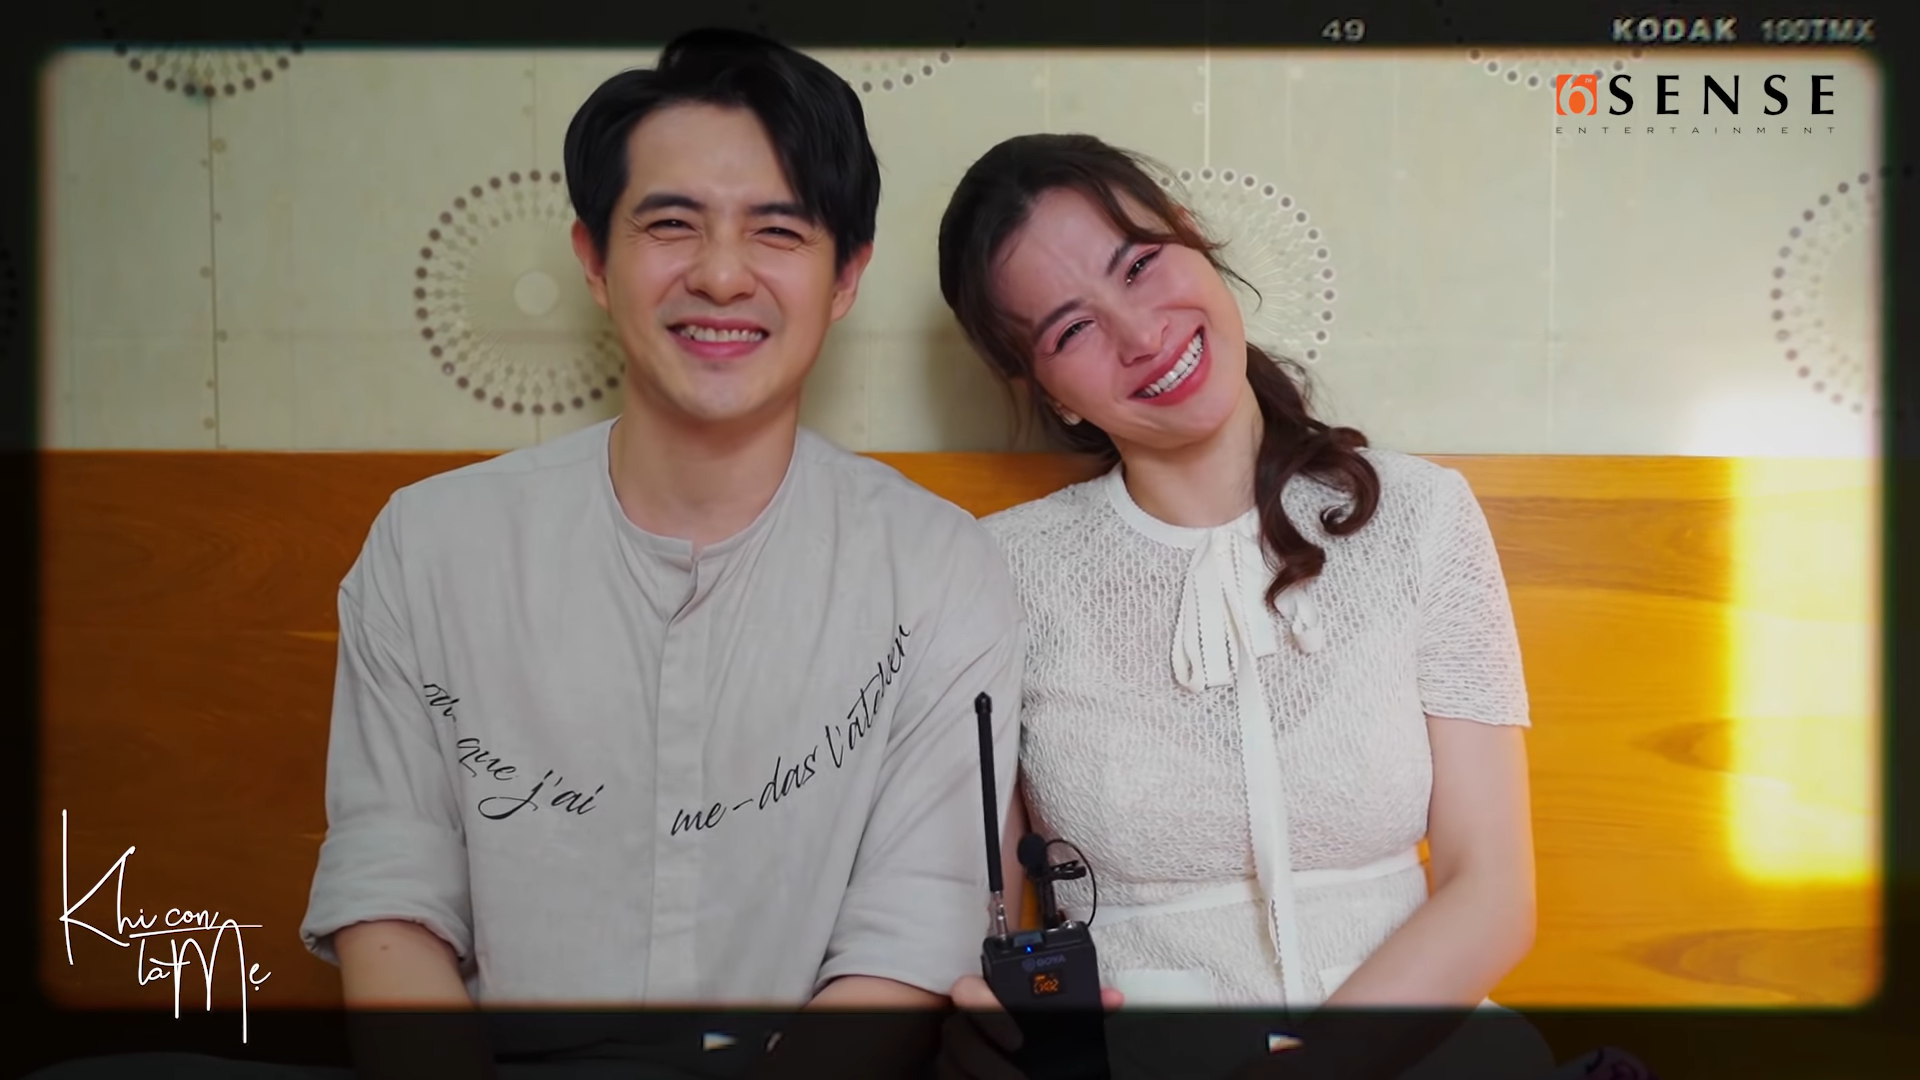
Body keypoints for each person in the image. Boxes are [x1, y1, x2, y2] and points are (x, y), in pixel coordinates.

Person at [28, 28, 1023, 1080]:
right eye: (671, 224)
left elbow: (905, 948)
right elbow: (392, 905)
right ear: (594, 259)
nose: (722, 274)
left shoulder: (937, 569)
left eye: (777, 231)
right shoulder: (430, 546)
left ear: (846, 274)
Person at [929, 133, 1600, 1079]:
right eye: (1072, 330)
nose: (1141, 335)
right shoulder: (998, 571)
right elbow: (977, 929)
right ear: (1047, 391)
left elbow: (1490, 891)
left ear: (1194, 239)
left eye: (1140, 265)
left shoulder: (1422, 515)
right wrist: (978, 1033)